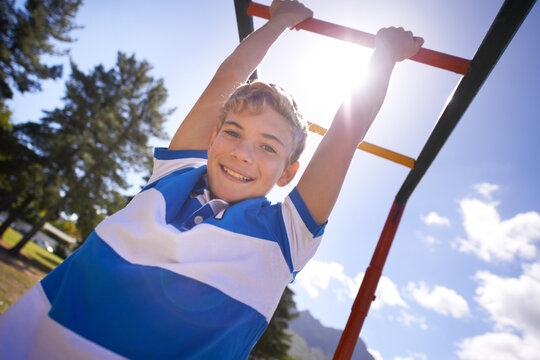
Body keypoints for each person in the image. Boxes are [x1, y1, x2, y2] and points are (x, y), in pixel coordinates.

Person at [0, 1, 423, 359]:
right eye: (233, 132)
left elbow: (344, 137)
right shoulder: (174, 176)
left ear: (288, 173)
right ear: (214, 136)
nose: (242, 152)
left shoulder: (284, 235)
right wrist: (277, 21)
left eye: (269, 147)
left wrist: (383, 54)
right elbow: (226, 82)